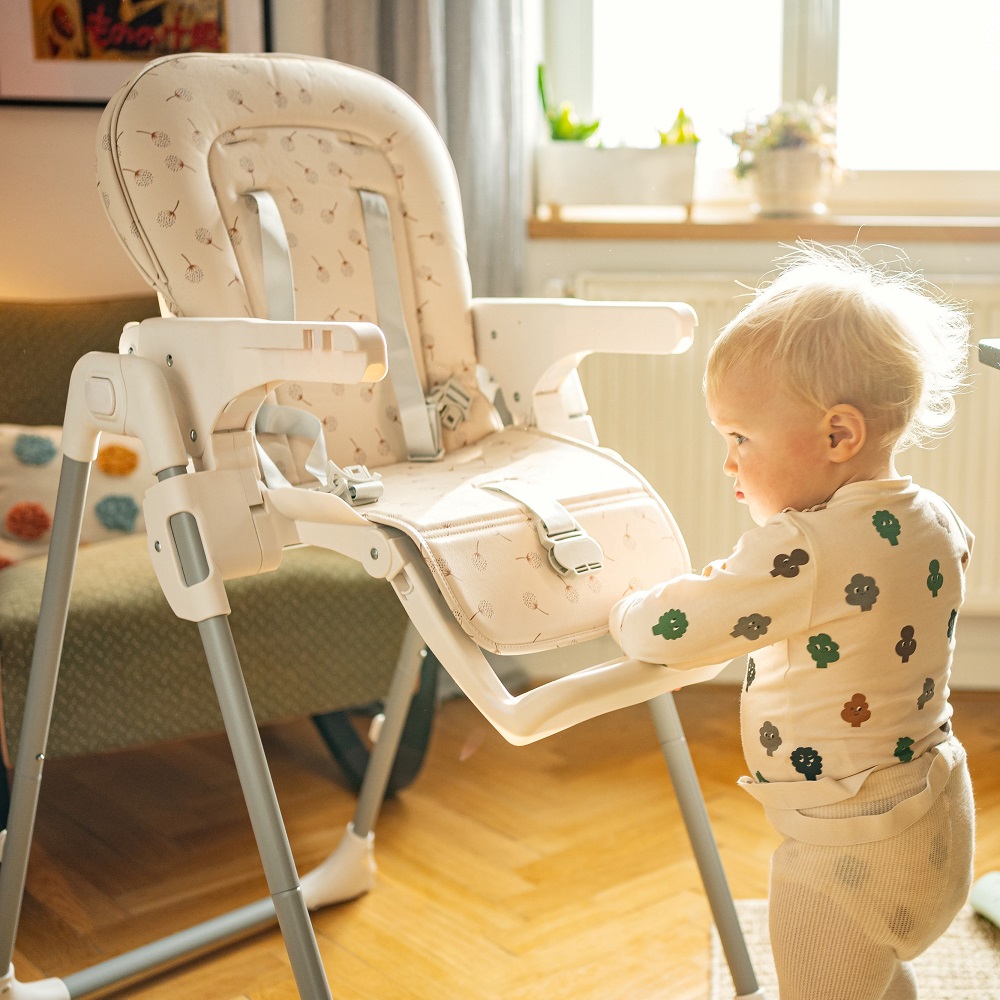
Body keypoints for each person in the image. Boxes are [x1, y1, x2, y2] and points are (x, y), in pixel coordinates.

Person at [609, 243, 976, 1000]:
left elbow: (670, 627)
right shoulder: (936, 517)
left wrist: (622, 604)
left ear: (838, 436)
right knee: (875, 979)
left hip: (845, 852)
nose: (729, 463)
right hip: (938, 822)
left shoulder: (803, 548)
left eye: (740, 438)